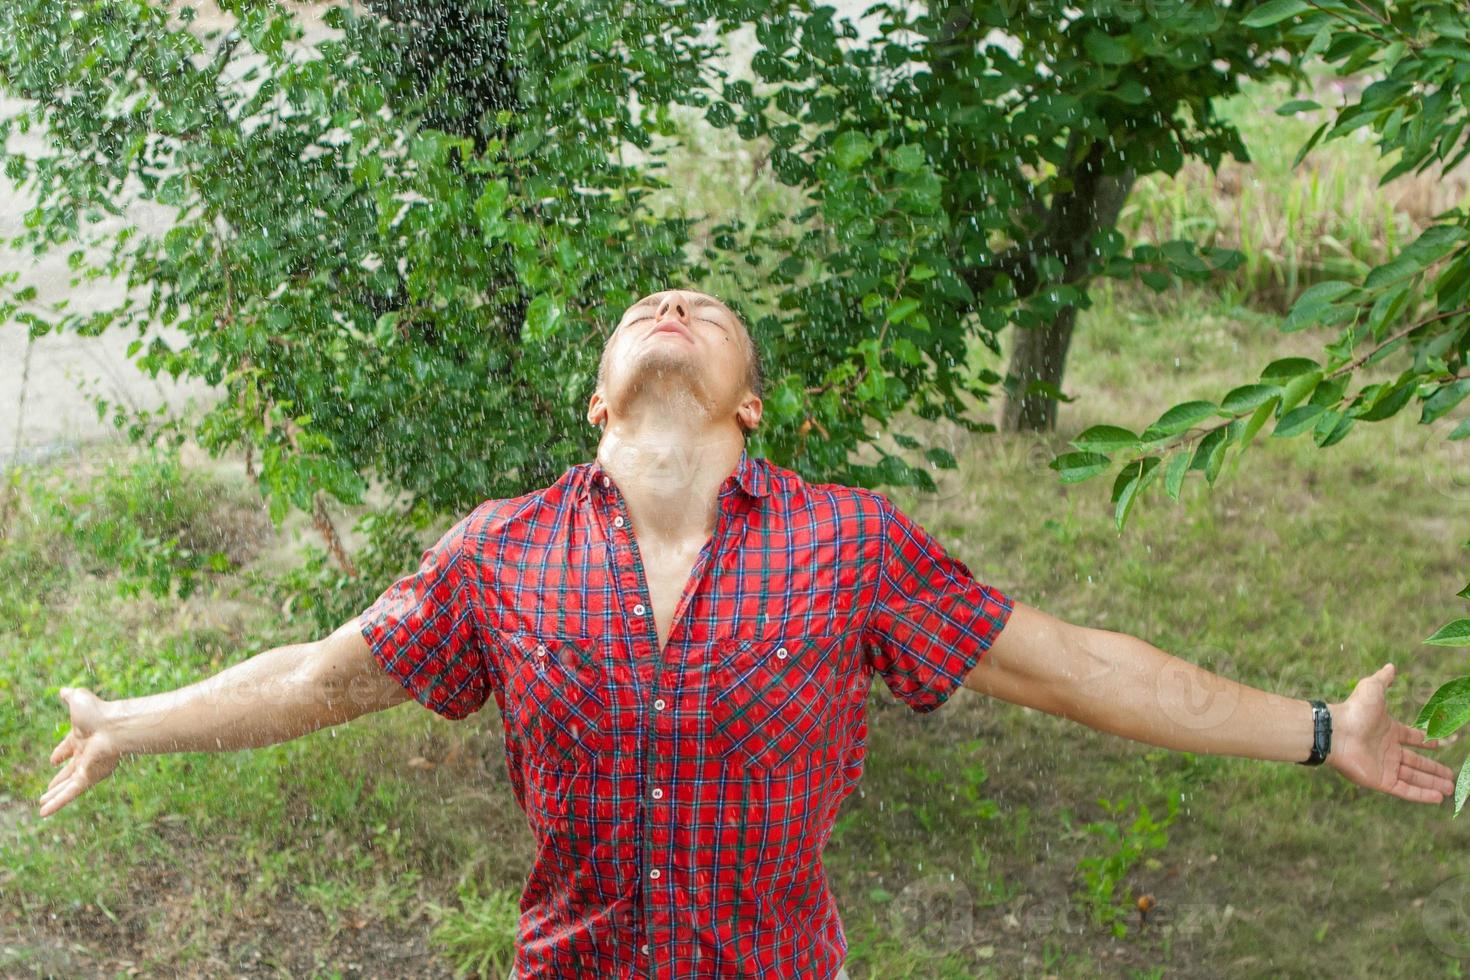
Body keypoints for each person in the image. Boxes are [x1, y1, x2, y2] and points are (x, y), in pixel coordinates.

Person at [40, 288, 1456, 979]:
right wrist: (128, 722)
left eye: (705, 313)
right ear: (598, 402)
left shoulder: (848, 545)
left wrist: (1321, 730)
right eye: (647, 310)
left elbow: (1071, 664)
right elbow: (315, 677)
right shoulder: (497, 551)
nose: (672, 305)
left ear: (747, 407)